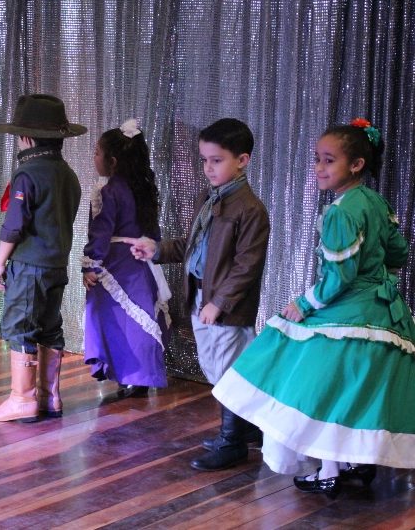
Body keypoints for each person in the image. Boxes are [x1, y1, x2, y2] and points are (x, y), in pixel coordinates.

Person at [213, 119, 415, 498]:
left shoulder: (341, 211)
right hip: (384, 313)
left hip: (348, 312)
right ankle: (353, 462)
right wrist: (377, 279)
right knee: (355, 390)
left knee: (319, 388)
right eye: (317, 159)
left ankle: (330, 469)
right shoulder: (375, 202)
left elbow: (339, 277)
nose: (319, 168)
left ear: (356, 165)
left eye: (329, 160)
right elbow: (398, 253)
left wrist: (305, 304)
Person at [127, 118, 270, 469]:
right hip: (201, 299)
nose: (208, 167)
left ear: (242, 160)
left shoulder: (250, 209)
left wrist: (219, 303)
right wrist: (157, 249)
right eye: (205, 159)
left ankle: (232, 442)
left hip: (225, 308)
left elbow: (246, 266)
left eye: (217, 160)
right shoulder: (210, 199)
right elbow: (193, 247)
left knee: (228, 372)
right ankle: (246, 429)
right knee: (215, 368)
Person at [0, 94, 86, 423]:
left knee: (20, 326)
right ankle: (48, 397)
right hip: (57, 265)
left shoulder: (28, 174)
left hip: (29, 265)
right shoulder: (68, 174)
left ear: (26, 137)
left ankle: (22, 399)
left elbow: (14, 226)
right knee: (49, 326)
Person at [82, 119, 170, 398]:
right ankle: (138, 378)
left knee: (114, 320)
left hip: (116, 264)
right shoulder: (143, 188)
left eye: (97, 152)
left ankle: (128, 374)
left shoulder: (108, 190)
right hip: (142, 262)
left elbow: (101, 230)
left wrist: (92, 264)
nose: (94, 158)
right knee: (138, 320)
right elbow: (153, 231)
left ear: (113, 161)